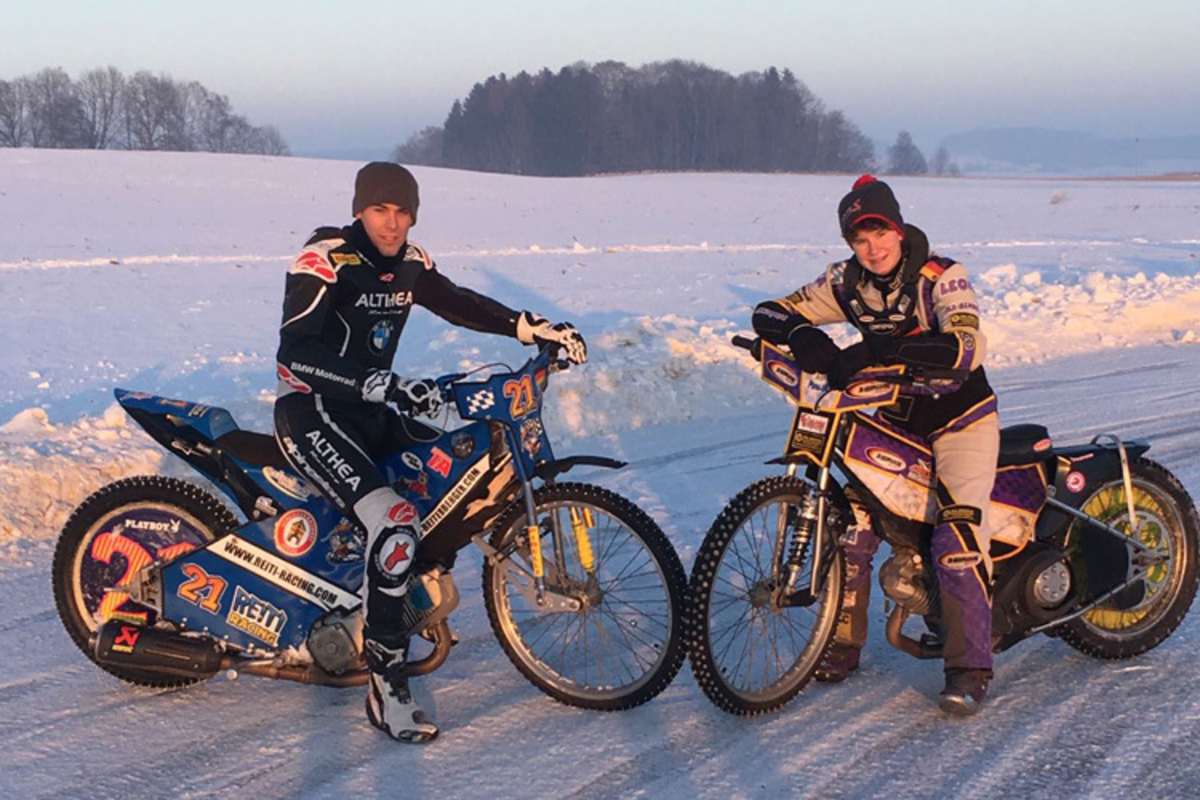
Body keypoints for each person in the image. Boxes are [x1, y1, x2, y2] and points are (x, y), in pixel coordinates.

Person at [273, 162, 587, 742]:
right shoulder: (325, 260)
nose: (391, 224)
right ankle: (386, 685)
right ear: (359, 211)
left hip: (372, 413)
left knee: (448, 477)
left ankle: (399, 599)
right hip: (312, 413)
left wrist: (529, 327)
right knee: (395, 522)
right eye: (379, 210)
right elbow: (294, 354)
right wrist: (377, 383)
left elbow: (458, 303)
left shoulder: (411, 263)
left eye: (402, 212)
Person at [751, 175, 1000, 715]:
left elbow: (966, 347)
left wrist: (878, 350)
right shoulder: (845, 281)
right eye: (860, 239)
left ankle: (970, 667)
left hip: (960, 420)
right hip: (894, 421)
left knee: (956, 536)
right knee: (853, 524)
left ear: (899, 228)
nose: (873, 248)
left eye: (880, 233)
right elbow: (769, 312)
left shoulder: (941, 276)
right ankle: (840, 642)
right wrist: (804, 336)